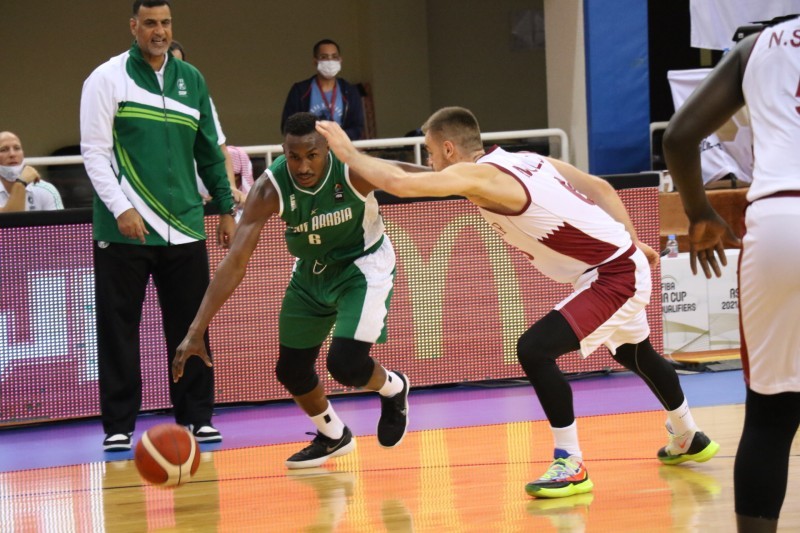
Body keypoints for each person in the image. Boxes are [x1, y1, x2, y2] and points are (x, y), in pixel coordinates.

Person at [316, 107, 720, 498]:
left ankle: (570, 462)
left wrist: (349, 154)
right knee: (635, 353)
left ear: (450, 149)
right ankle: (688, 434)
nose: (431, 161)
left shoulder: (484, 177)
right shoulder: (526, 159)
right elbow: (600, 187)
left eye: (432, 151)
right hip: (614, 265)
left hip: (614, 276)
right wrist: (632, 240)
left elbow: (402, 184)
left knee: (534, 349)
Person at [172, 112, 410, 469]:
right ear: (284, 151)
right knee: (291, 370)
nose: (302, 166)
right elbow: (235, 261)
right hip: (311, 271)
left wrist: (470, 179)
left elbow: (409, 177)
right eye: (294, 156)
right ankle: (333, 435)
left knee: (345, 365)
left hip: (362, 267)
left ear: (327, 149)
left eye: (312, 155)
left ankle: (393, 387)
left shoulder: (352, 170)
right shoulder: (270, 187)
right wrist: (196, 329)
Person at [662, 15, 800, 533]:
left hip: (781, 219)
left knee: (771, 415)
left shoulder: (761, 43)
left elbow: (679, 136)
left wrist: (700, 212)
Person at [79, 0, 236, 452]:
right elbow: (94, 153)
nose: (159, 31)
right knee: (118, 328)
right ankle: (118, 425)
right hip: (123, 229)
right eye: (150, 23)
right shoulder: (106, 78)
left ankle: (197, 417)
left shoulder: (193, 80)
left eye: (165, 22)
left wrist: (225, 208)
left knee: (193, 327)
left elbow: (209, 151)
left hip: (185, 226)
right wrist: (120, 208)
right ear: (133, 26)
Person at [168, 40, 246, 206]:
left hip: (202, 195)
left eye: (179, 64)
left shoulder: (198, 96)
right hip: (168, 194)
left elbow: (220, 149)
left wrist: (230, 187)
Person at [281, 39, 365, 140]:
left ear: (340, 60)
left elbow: (357, 127)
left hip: (340, 147)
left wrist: (336, 138)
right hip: (309, 147)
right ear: (315, 61)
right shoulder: (299, 91)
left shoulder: (350, 91)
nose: (330, 61)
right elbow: (288, 126)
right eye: (324, 57)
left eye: (334, 57)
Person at [0, 131, 63, 212]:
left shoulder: (46, 189)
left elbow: (58, 220)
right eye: (3, 150)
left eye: (17, 148)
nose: (12, 154)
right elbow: (12, 219)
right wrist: (21, 183)